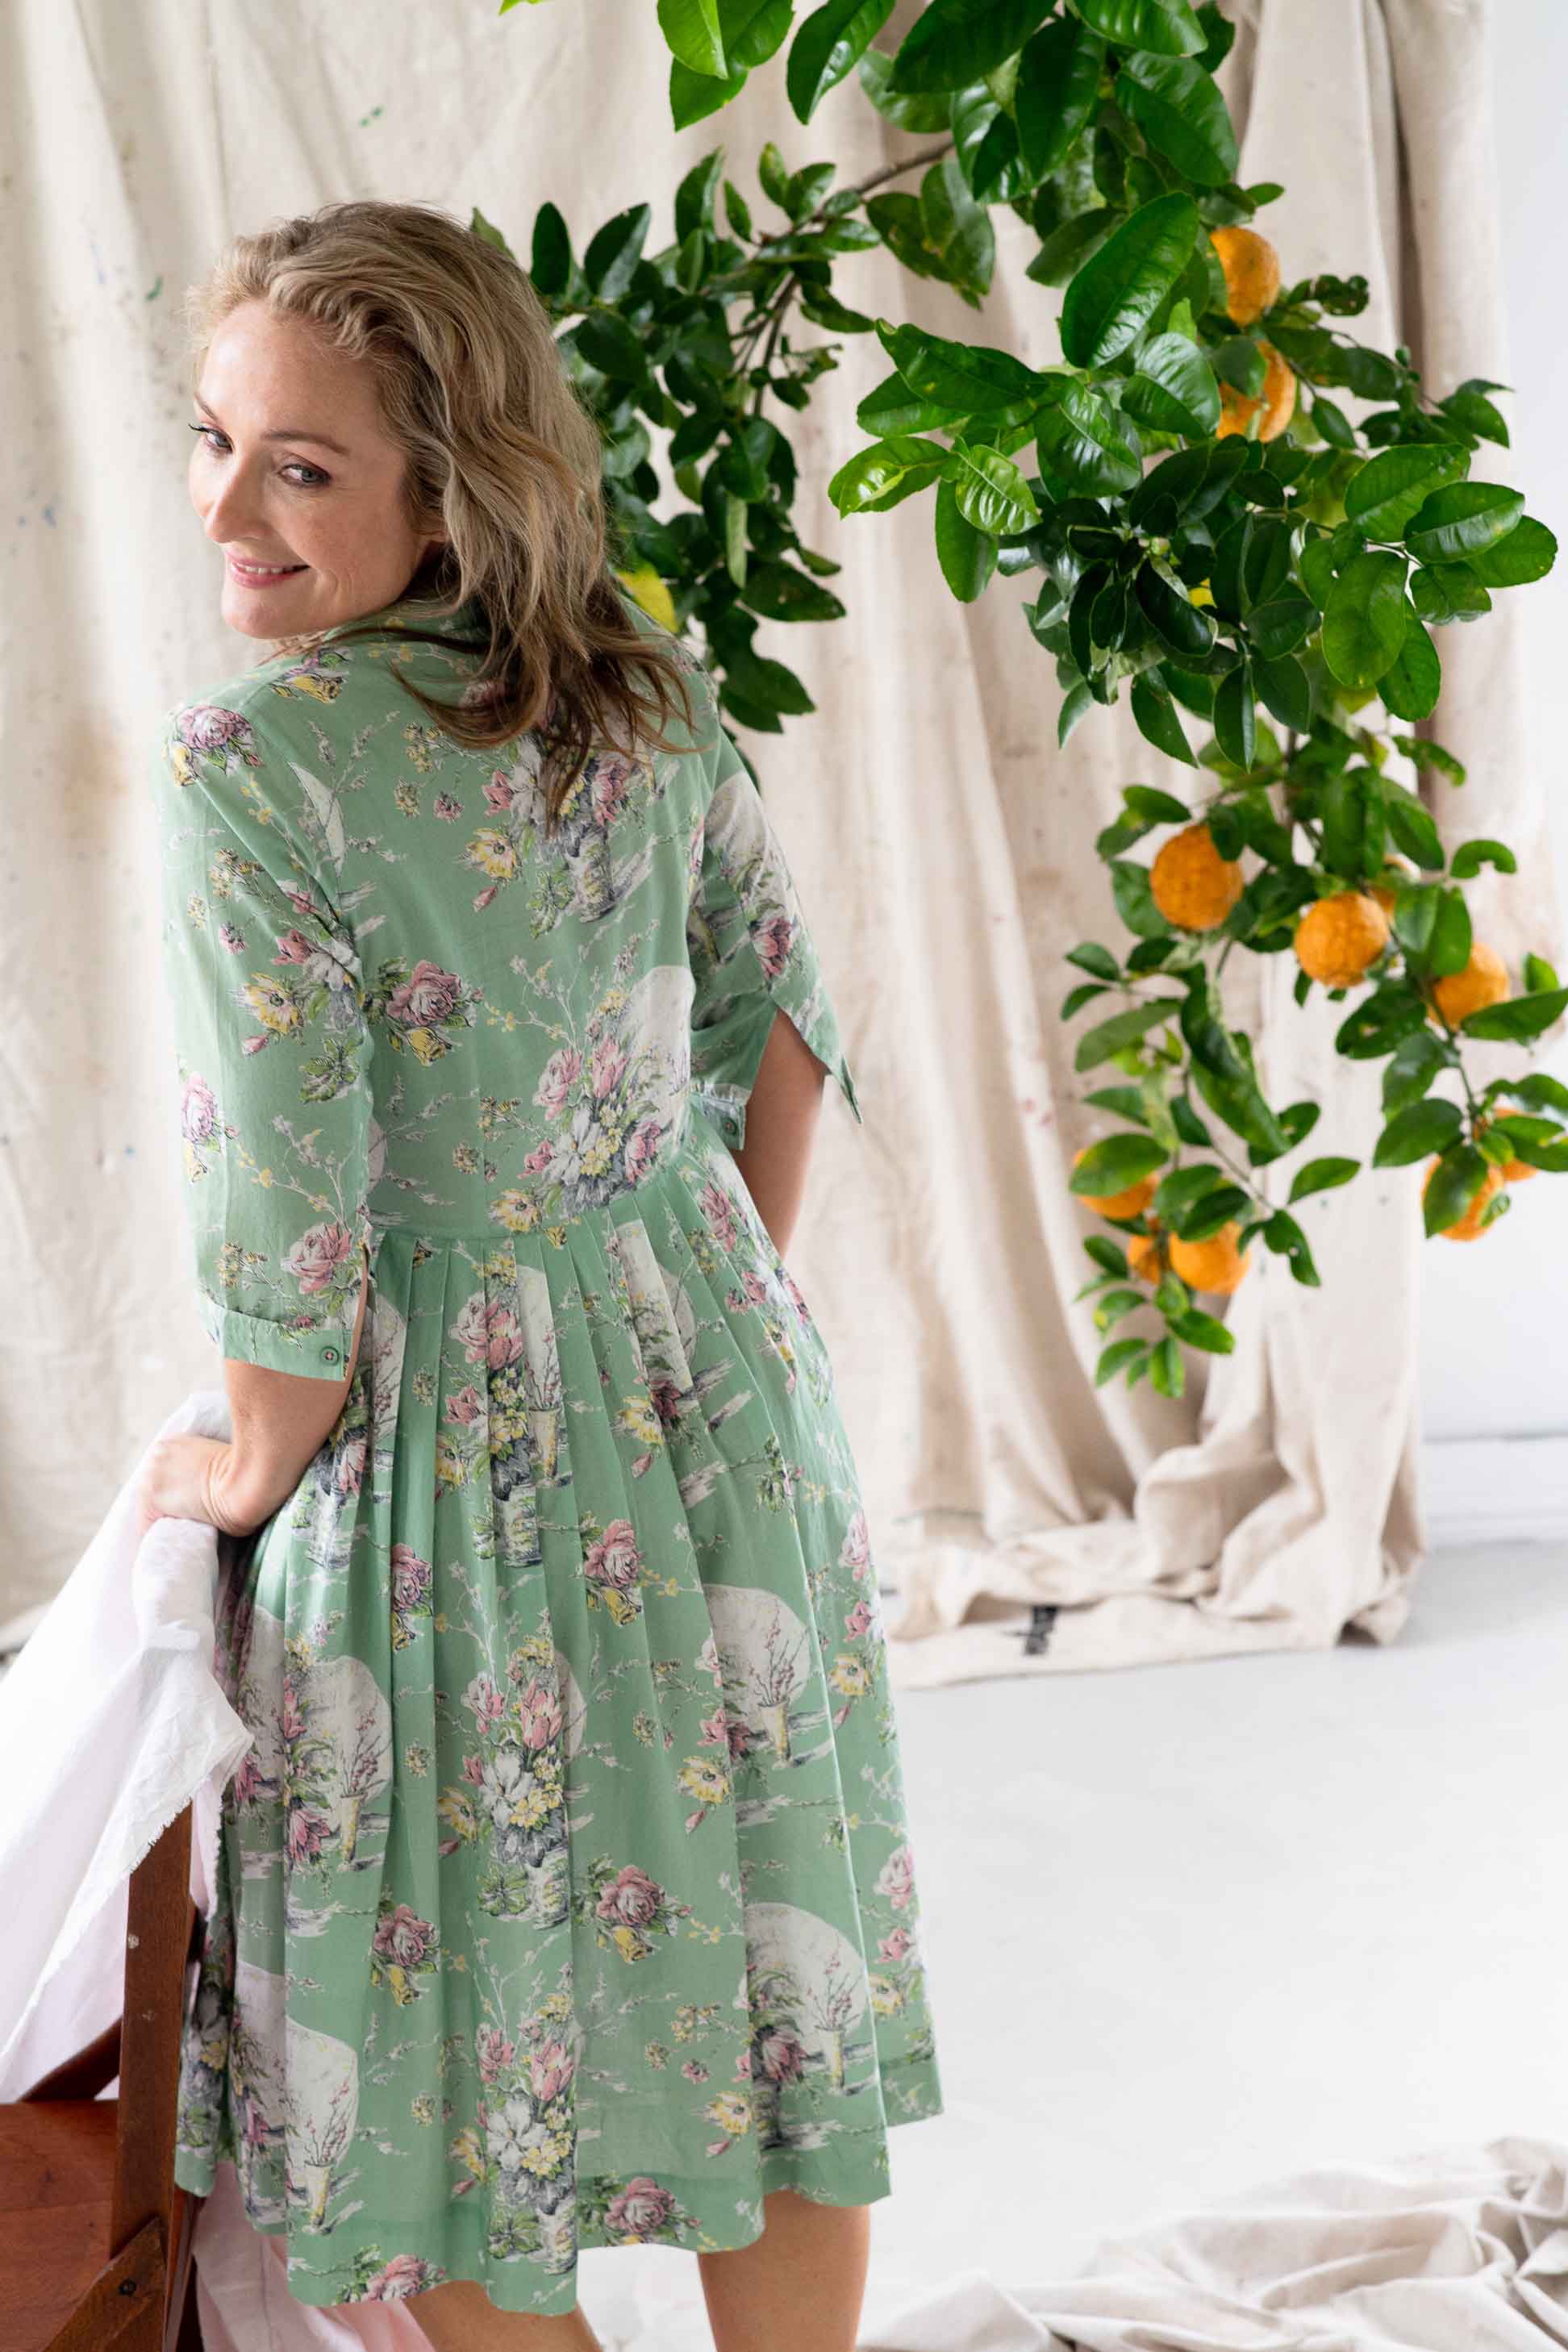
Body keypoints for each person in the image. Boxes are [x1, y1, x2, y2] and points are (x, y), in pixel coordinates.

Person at [141, 197, 943, 2352]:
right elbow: (777, 1021)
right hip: (720, 1402)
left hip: (437, 1479)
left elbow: (286, 1229)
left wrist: (238, 1461)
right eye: (213, 437)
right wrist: (682, 1314)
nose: (228, 504)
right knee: (767, 2009)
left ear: (448, 480)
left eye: (300, 465)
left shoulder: (260, 771)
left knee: (421, 2070)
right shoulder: (646, 687)